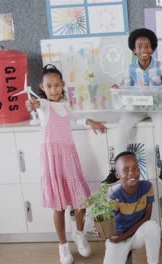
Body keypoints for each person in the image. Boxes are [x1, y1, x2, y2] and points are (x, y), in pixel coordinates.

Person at [25, 64, 107, 264]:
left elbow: (76, 119)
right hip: (52, 159)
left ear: (62, 85)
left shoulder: (65, 105)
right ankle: (63, 246)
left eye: (56, 85)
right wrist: (33, 105)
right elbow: (36, 106)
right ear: (42, 87)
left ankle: (79, 233)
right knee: (59, 207)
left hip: (68, 156)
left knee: (81, 201)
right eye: (49, 86)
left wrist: (90, 122)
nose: (53, 89)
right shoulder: (44, 105)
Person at [102, 28, 162, 187]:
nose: (144, 49)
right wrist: (118, 88)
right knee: (122, 128)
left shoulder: (161, 67)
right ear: (134, 50)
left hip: (157, 107)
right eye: (140, 46)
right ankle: (116, 170)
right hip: (136, 108)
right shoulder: (130, 69)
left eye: (148, 46)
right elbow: (124, 88)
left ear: (153, 48)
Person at [103, 151, 161, 264]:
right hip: (119, 238)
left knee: (152, 227)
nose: (132, 173)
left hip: (136, 235)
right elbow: (107, 224)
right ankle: (125, 254)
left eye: (135, 168)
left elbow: (146, 217)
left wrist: (126, 235)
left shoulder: (147, 187)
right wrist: (101, 230)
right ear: (117, 174)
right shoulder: (115, 197)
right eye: (125, 170)